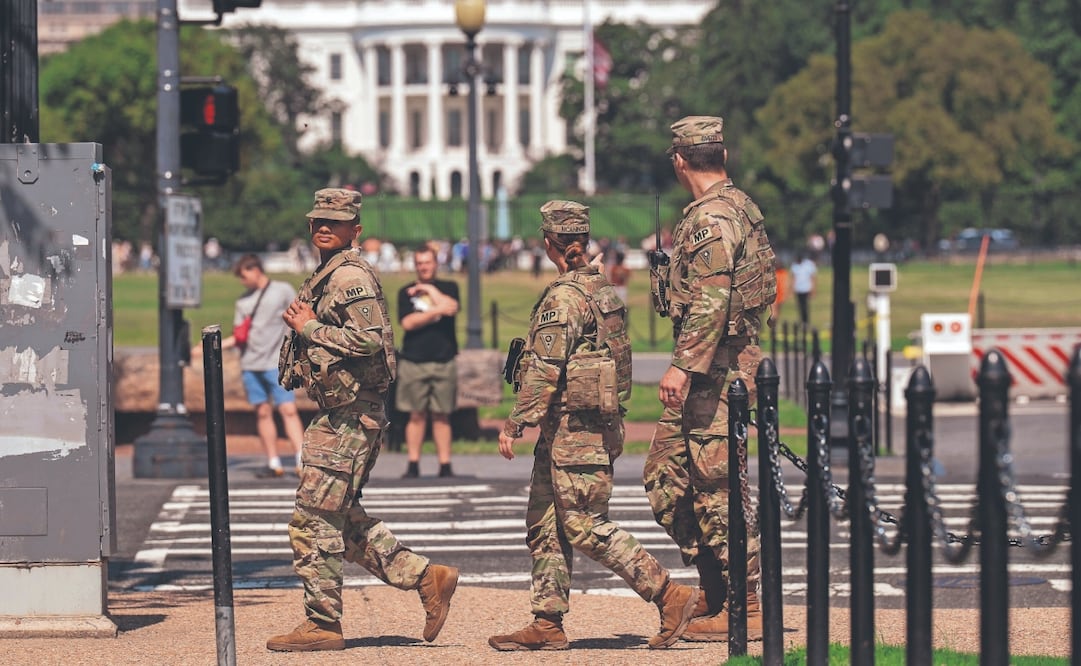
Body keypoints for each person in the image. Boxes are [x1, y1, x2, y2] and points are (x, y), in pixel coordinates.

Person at [488, 200, 700, 652]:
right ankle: (547, 622)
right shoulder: (600, 290)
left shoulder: (564, 297)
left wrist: (513, 424)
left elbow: (544, 368)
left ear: (550, 243)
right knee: (545, 522)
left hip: (575, 431)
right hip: (582, 426)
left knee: (584, 524)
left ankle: (668, 593)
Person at [268, 188, 459, 652]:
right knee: (340, 517)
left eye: (335, 221)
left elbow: (369, 339)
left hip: (351, 417)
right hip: (343, 413)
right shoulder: (328, 272)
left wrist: (309, 328)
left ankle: (323, 623)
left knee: (312, 519)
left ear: (357, 230)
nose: (324, 228)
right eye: (317, 221)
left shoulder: (348, 275)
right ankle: (425, 577)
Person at [643, 116, 778, 642]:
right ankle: (718, 587)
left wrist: (682, 365)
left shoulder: (710, 219)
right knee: (665, 477)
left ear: (680, 161)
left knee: (717, 487)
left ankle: (746, 604)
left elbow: (713, 299)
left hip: (717, 374)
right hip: (717, 371)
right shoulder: (740, 206)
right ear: (721, 155)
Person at [224, 254, 306, 478]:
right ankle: (273, 461)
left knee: (288, 409)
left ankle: (301, 458)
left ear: (256, 270)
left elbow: (300, 314)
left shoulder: (282, 290)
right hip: (250, 362)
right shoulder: (243, 302)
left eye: (244, 275)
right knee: (262, 412)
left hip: (276, 362)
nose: (243, 281)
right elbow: (240, 335)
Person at [397, 244, 460, 478]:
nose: (424, 266)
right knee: (416, 414)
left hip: (444, 359)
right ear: (415, 265)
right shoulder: (405, 292)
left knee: (442, 414)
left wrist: (427, 290)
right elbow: (407, 323)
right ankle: (413, 463)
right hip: (414, 360)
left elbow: (452, 307)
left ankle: (445, 464)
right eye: (419, 263)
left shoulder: (448, 287)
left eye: (427, 262)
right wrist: (436, 311)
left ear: (435, 264)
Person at [790, 251, 817, 325]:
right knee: (800, 306)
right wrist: (792, 289)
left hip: (806, 288)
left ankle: (806, 321)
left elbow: (812, 277)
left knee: (805, 306)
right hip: (798, 289)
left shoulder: (808, 265)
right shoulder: (794, 266)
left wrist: (813, 289)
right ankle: (802, 320)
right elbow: (793, 278)